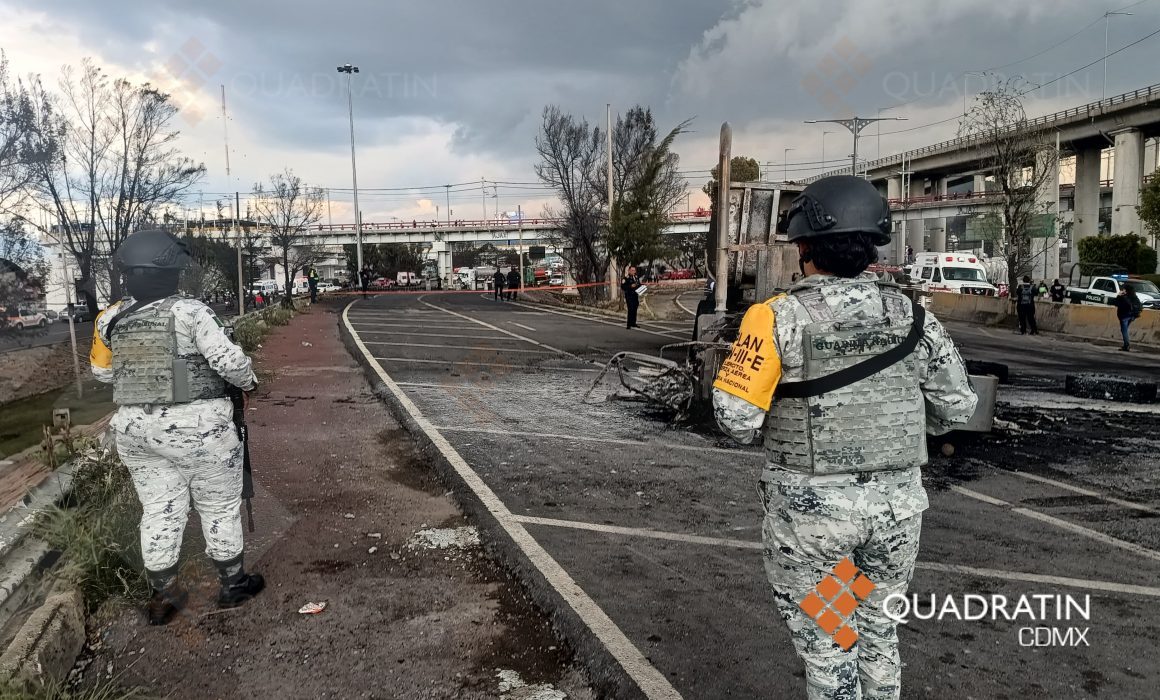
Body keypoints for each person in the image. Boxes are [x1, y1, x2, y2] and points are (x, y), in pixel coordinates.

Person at [712, 176, 977, 700]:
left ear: (804, 246)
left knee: (833, 644)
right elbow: (957, 406)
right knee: (879, 636)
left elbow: (736, 419)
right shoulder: (915, 317)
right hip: (898, 513)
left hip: (814, 520)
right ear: (873, 245)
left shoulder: (776, 317)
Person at [89, 230, 265, 625]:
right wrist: (250, 384)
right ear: (173, 272)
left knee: (159, 508)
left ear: (128, 274)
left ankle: (163, 597)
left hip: (136, 431)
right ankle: (233, 585)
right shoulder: (191, 312)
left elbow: (101, 373)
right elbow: (229, 362)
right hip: (200, 428)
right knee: (218, 505)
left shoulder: (110, 317)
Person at [1114, 286, 1143, 351]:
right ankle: (1126, 345)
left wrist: (1118, 295)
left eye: (1124, 289)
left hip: (1124, 316)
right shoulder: (1135, 297)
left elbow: (1116, 303)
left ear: (1126, 290)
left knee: (1124, 331)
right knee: (1125, 329)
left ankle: (1126, 346)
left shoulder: (1123, 297)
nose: (1122, 290)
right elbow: (1140, 306)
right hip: (1132, 316)